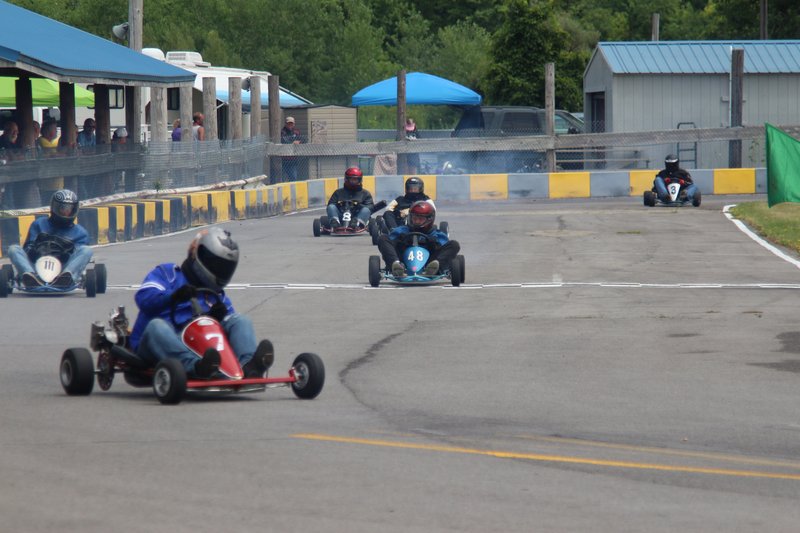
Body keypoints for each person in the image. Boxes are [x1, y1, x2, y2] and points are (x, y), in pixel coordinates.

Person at [128, 227, 274, 379]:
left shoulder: (215, 295)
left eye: (225, 268)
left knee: (241, 320)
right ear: (199, 255)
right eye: (217, 265)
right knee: (156, 326)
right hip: (158, 341)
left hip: (199, 347)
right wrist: (173, 297)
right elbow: (143, 299)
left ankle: (249, 366)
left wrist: (219, 317)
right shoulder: (168, 274)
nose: (221, 271)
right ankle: (196, 368)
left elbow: (229, 325)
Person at [6, 189, 93, 288]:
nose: (66, 211)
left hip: (62, 267)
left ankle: (66, 277)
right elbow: (28, 247)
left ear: (74, 209)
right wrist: (33, 251)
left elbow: (77, 255)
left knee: (87, 250)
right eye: (63, 207)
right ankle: (30, 276)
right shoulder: (39, 224)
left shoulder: (80, 233)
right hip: (36, 265)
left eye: (70, 208)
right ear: (55, 207)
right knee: (13, 249)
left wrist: (66, 254)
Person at [377, 200, 460, 277]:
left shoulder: (436, 234)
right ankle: (396, 265)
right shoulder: (402, 230)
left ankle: (434, 267)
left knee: (454, 244)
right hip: (403, 262)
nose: (416, 221)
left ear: (429, 220)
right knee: (382, 238)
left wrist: (434, 242)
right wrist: (399, 240)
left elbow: (445, 245)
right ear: (410, 217)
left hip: (428, 263)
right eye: (414, 218)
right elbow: (389, 242)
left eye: (420, 219)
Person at [280, 116, 303, 181]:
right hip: (284, 159)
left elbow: (303, 139)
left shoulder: (296, 131)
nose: (290, 125)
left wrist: (299, 141)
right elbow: (283, 140)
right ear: (285, 124)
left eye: (291, 123)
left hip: (293, 159)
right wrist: (292, 142)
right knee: (282, 178)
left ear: (294, 124)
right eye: (288, 123)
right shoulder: (283, 132)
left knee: (293, 177)